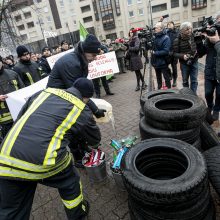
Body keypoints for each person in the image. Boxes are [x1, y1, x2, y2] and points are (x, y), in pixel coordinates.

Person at [0, 78, 101, 220]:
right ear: (86, 98)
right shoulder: (81, 109)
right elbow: (95, 139)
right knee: (70, 182)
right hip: (42, 162)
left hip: (5, 156)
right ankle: (78, 214)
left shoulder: (44, 92)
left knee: (12, 210)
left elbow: (21, 116)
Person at [0, 56, 25, 139]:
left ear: (2, 62)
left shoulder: (12, 74)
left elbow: (23, 90)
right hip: (4, 120)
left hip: (20, 114)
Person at [172, 22, 199, 93]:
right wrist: (182, 56)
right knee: (185, 81)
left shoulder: (194, 36)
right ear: (182, 30)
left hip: (194, 61)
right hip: (184, 64)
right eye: (187, 29)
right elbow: (174, 53)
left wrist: (197, 51)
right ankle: (187, 95)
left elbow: (199, 46)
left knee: (194, 80)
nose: (190, 30)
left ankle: (193, 95)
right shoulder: (177, 40)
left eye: (190, 28)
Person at [151, 22, 171, 89]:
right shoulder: (155, 37)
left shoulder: (166, 38)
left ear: (161, 29)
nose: (155, 29)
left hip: (163, 62)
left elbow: (166, 51)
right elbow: (152, 48)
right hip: (156, 62)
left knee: (166, 78)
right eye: (155, 27)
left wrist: (155, 53)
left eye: (156, 27)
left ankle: (169, 92)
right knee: (158, 79)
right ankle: (159, 91)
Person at [166, 21, 178, 87]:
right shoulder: (166, 33)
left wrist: (174, 51)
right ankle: (169, 74)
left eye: (170, 24)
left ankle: (174, 80)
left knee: (174, 67)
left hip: (174, 53)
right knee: (165, 65)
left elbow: (177, 43)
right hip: (167, 53)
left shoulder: (176, 32)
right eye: (168, 24)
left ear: (173, 25)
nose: (169, 25)